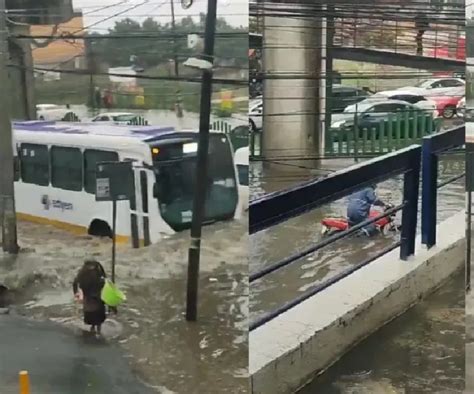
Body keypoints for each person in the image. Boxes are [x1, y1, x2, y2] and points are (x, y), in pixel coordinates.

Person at [73, 259, 107, 335]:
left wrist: (76, 292)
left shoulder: (83, 274)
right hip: (96, 300)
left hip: (90, 300)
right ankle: (97, 329)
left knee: (93, 315)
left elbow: (75, 283)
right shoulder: (97, 273)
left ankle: (94, 328)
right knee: (97, 317)